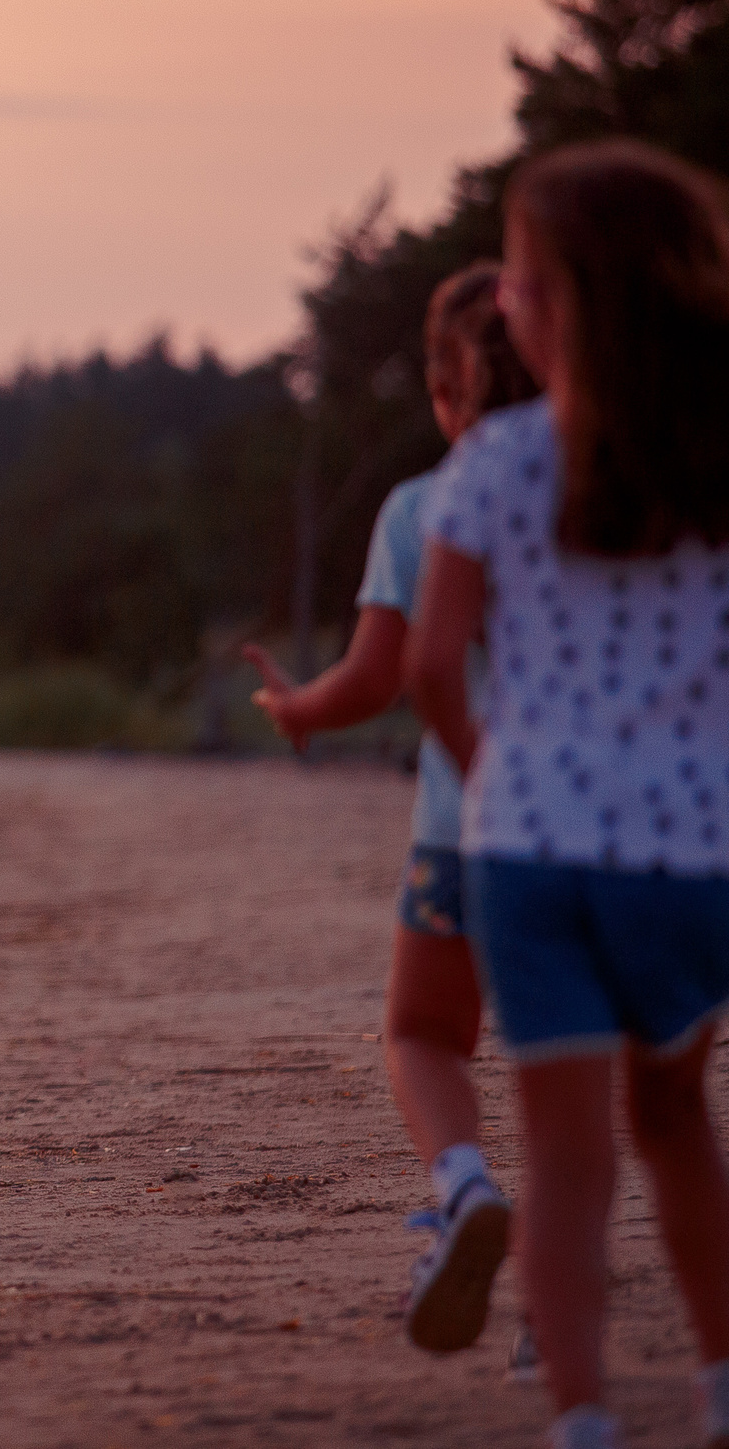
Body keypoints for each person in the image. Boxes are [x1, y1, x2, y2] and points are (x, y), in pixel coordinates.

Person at [408, 139, 729, 1449]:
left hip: (530, 848)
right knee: (674, 1118)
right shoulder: (717, 464)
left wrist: (495, 777)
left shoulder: (491, 463)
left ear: (586, 302)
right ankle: (718, 1387)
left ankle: (584, 1415)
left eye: (525, 283)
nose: (502, 307)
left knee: (566, 1155)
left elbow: (433, 663)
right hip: (689, 850)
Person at [245, 262, 541, 1358]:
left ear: (441, 391)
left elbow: (378, 679)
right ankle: (557, 1320)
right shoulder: (620, 498)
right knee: (569, 1078)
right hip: (607, 836)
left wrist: (294, 708)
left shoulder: (425, 509)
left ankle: (463, 1189)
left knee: (421, 1035)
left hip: (461, 831)